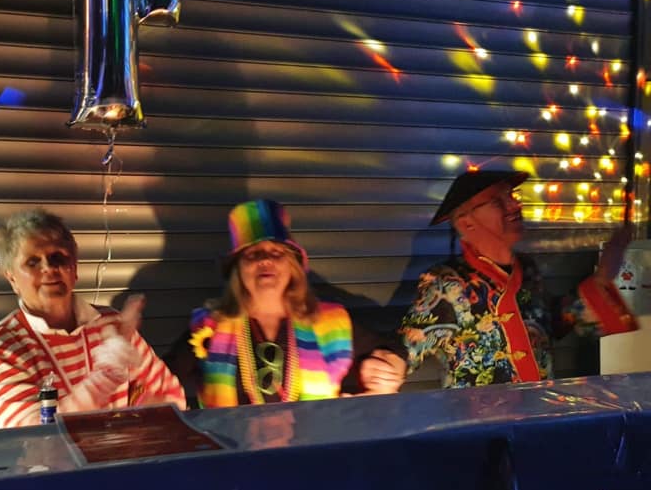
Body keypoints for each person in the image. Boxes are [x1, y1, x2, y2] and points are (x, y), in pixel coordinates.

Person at [400, 169, 637, 388]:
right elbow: (408, 345)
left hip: (539, 411)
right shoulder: (445, 283)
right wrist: (388, 362)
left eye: (513, 196)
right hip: (479, 419)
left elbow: (550, 323)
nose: (515, 205)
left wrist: (603, 276)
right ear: (466, 222)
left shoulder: (527, 269)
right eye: (498, 201)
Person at [167, 199, 406, 408]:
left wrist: (387, 368)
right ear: (237, 270)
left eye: (277, 253)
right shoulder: (208, 327)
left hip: (314, 445)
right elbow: (160, 381)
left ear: (292, 266)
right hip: (229, 446)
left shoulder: (331, 321)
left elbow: (395, 351)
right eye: (253, 254)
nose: (265, 260)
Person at [0, 209, 185, 428]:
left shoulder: (110, 323)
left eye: (58, 257)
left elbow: (170, 397)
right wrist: (110, 373)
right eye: (32, 262)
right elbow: (38, 438)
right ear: (12, 278)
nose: (49, 268)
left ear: (74, 268)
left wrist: (148, 416)